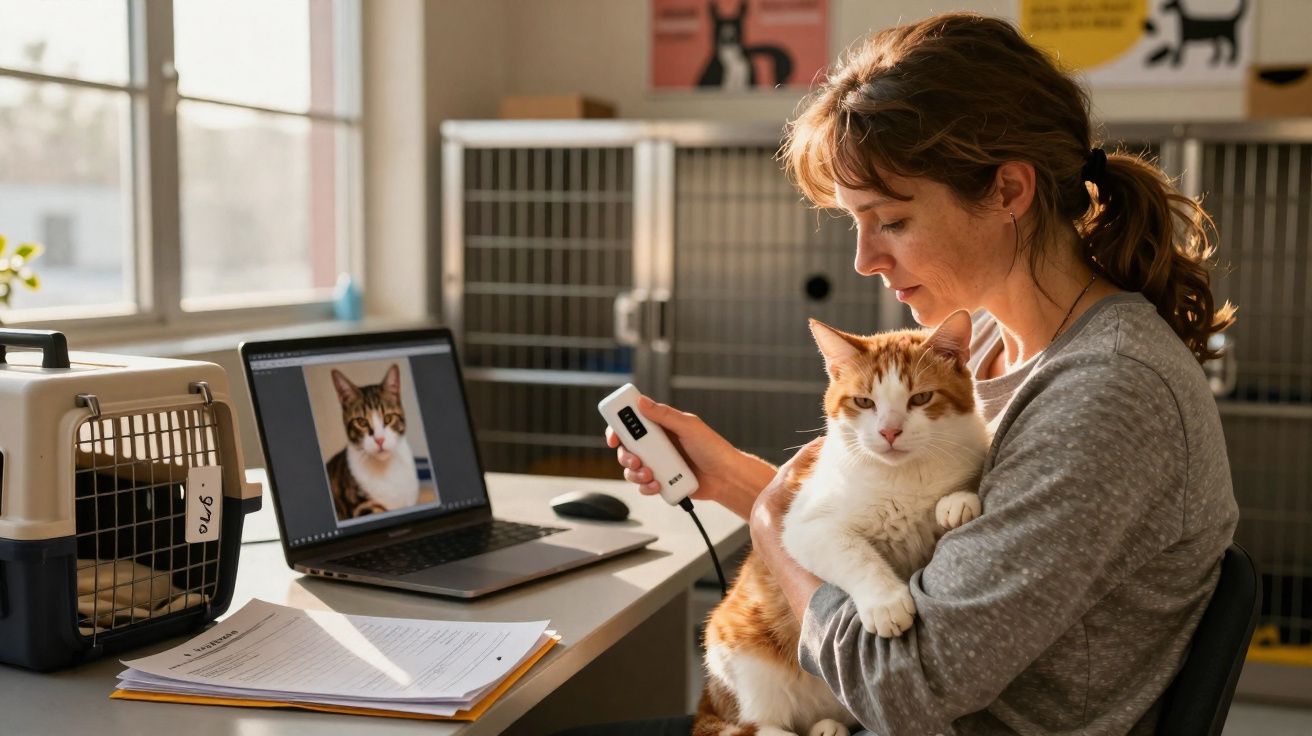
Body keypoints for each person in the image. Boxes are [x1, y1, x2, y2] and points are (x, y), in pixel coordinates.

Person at [557, 12, 1238, 735]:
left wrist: (768, 524)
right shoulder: (994, 355)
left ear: (1009, 191)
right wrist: (731, 479)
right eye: (855, 223)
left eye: (892, 221)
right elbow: (910, 548)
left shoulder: (1107, 393)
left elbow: (901, 687)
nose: (864, 260)